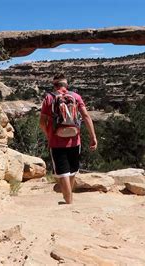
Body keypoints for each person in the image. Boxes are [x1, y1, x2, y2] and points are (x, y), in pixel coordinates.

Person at [39, 73, 97, 204]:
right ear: (66, 85)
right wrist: (93, 137)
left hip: (56, 141)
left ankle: (68, 201)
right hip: (75, 140)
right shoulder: (76, 97)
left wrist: (48, 135)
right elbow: (86, 117)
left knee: (63, 173)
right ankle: (70, 198)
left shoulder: (49, 98)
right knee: (72, 171)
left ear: (54, 85)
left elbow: (42, 122)